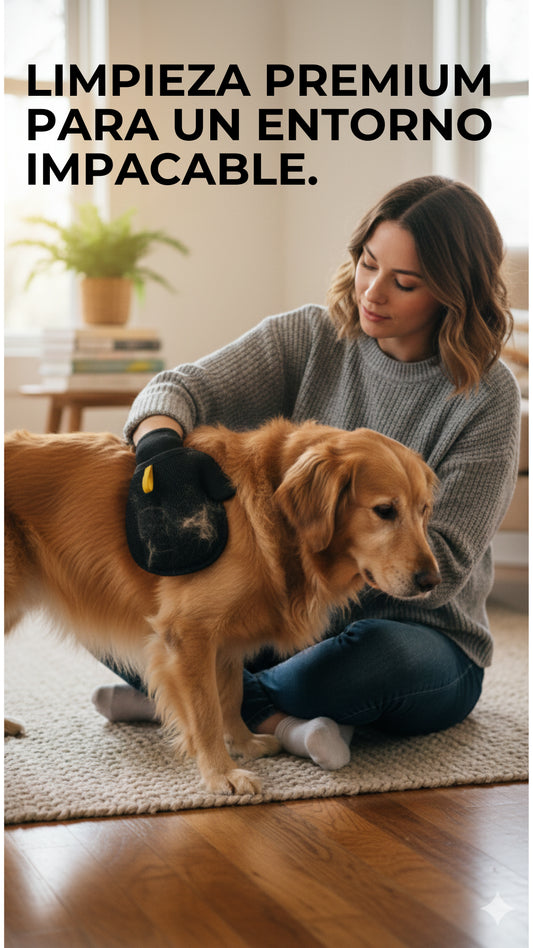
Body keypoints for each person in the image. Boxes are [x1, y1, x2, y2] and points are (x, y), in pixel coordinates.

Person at [92, 175, 521, 772]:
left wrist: (301, 594)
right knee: (117, 601)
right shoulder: (310, 336)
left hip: (419, 635)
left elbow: (440, 566)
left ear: (453, 293)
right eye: (368, 264)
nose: (373, 292)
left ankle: (197, 701)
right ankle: (265, 713)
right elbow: (176, 388)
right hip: (278, 622)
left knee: (372, 663)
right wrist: (161, 450)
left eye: (405, 282)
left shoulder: (488, 397)